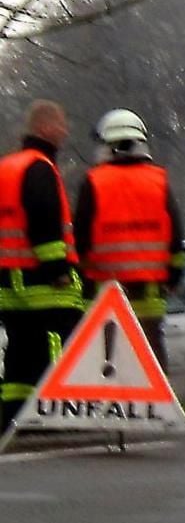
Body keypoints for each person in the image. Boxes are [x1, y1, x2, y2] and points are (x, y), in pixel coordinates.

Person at [75, 109, 185, 369]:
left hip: (106, 289)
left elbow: (81, 238)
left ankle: (110, 408)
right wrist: (175, 275)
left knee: (107, 360)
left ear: (107, 145)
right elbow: (175, 235)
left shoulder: (93, 181)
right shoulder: (158, 180)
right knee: (150, 358)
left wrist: (84, 276)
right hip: (149, 290)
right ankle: (157, 409)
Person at [0, 100, 84, 430]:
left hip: (9, 280)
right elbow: (45, 224)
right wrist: (58, 270)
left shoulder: (7, 167)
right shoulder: (40, 168)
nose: (65, 132)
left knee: (20, 351)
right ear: (45, 127)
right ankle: (55, 413)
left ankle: (14, 416)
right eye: (61, 125)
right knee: (56, 344)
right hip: (43, 283)